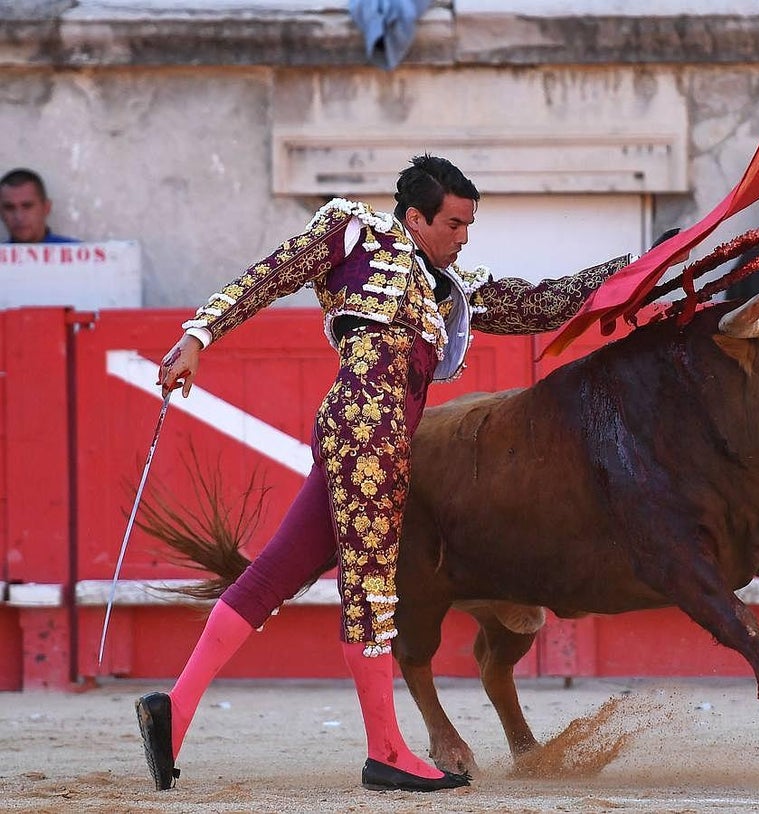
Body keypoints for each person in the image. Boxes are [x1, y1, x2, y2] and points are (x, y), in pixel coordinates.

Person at [135, 154, 636, 794]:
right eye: (454, 224)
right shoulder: (354, 234)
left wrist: (633, 268)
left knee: (269, 579)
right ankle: (386, 751)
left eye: (469, 225)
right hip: (366, 439)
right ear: (415, 216)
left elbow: (542, 305)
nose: (464, 237)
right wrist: (199, 336)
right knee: (370, 595)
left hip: (373, 441)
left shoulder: (451, 288)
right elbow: (271, 275)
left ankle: (173, 710)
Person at [0, 168, 80, 244]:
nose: (19, 217)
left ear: (46, 208)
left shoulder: (79, 255)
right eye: (9, 208)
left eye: (27, 206)